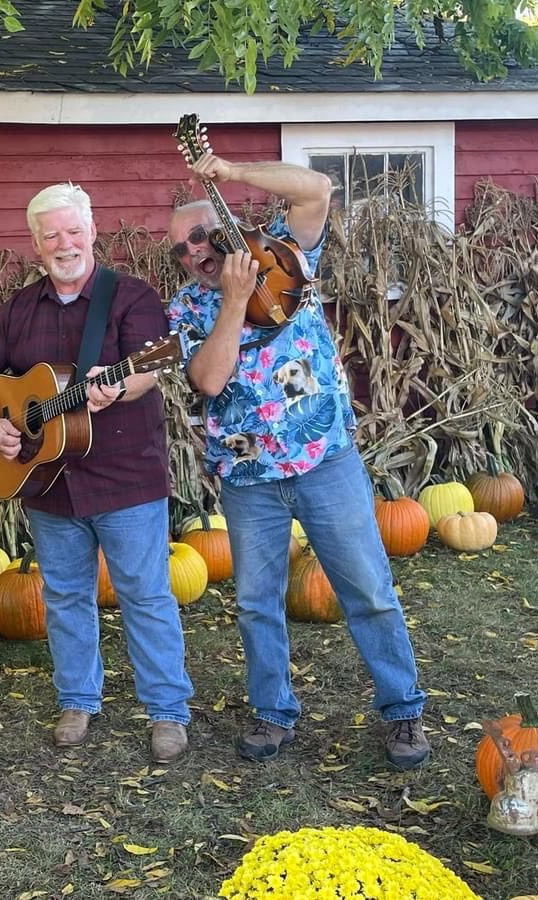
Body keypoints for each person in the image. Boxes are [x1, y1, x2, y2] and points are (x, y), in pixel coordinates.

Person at [164, 153, 430, 769]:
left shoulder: (284, 256)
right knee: (259, 599)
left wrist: (228, 170)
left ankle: (403, 711)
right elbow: (208, 378)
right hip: (248, 477)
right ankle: (272, 711)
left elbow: (315, 188)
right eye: (179, 248)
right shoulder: (184, 309)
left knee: (367, 588)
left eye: (200, 235)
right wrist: (231, 302)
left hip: (324, 459)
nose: (193, 252)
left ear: (226, 229)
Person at [0, 183, 194, 764]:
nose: (66, 244)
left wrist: (120, 383)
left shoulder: (130, 298)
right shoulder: (20, 308)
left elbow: (151, 368)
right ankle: (78, 699)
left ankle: (166, 711)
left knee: (145, 594)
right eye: (52, 234)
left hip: (126, 477)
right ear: (36, 244)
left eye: (74, 230)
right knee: (63, 596)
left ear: (92, 231)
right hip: (49, 484)